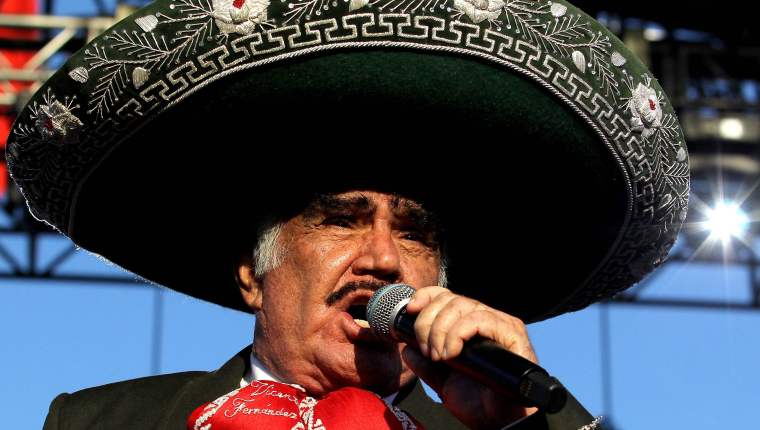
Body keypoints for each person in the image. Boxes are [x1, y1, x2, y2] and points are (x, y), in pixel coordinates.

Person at [6, 0, 689, 428]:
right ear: (251, 273)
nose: (385, 258)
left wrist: (520, 423)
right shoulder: (102, 421)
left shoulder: (505, 426)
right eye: (341, 220)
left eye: (414, 233)